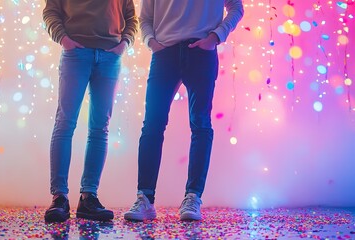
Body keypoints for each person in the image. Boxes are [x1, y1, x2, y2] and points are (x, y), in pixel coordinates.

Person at [124, 0, 244, 221]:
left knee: (200, 124)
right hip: (164, 53)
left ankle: (193, 197)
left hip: (201, 52)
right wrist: (151, 41)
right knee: (152, 124)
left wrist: (216, 37)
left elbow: (236, 7)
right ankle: (145, 198)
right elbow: (146, 18)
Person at [42, 0, 138, 223]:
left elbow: (131, 17)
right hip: (76, 54)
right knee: (65, 124)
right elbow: (51, 11)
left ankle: (89, 197)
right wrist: (64, 39)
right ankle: (59, 198)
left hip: (110, 56)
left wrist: (124, 43)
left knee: (99, 128)